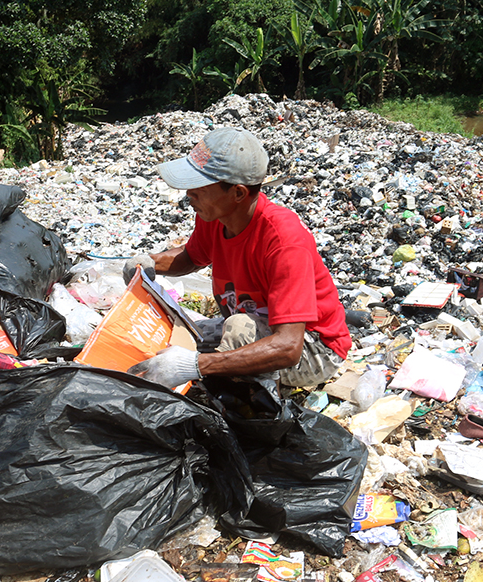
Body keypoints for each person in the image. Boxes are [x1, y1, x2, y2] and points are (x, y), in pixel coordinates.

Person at [124, 127, 351, 390]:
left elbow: (289, 346)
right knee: (176, 337)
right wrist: (151, 263)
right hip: (256, 325)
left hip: (313, 349)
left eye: (199, 186)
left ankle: (245, 404)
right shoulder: (216, 215)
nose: (189, 194)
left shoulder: (283, 240)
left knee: (237, 331)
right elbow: (191, 257)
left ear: (239, 193)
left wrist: (196, 366)